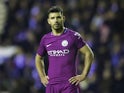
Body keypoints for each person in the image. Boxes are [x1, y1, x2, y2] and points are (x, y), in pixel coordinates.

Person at [35, 6, 94, 93]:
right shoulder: (45, 39)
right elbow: (38, 58)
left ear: (63, 18)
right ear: (49, 21)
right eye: (52, 18)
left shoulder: (73, 36)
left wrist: (84, 75)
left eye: (58, 17)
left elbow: (89, 54)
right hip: (52, 85)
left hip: (69, 84)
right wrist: (42, 76)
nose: (56, 20)